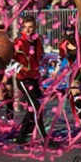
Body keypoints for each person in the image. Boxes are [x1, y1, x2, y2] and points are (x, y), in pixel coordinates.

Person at [14, 14, 48, 144]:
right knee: (36, 107)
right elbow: (12, 59)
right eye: (26, 27)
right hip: (23, 78)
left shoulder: (37, 40)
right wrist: (19, 67)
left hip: (34, 78)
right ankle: (44, 138)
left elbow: (40, 56)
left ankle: (21, 136)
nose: (28, 30)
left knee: (35, 107)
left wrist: (47, 61)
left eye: (31, 27)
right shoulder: (19, 42)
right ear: (22, 28)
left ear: (35, 27)